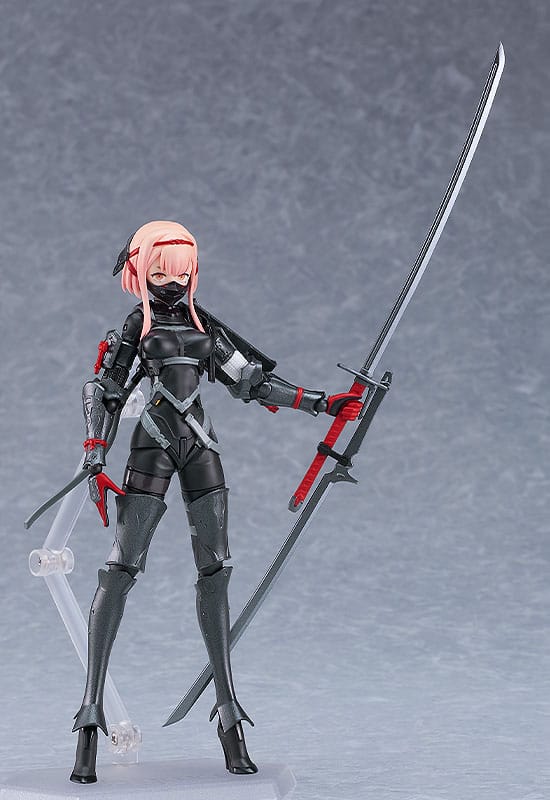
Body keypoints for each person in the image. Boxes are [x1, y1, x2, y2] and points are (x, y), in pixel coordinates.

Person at [70, 220, 362, 784]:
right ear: (140, 268)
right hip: (152, 444)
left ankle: (229, 715)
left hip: (201, 446)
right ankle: (89, 716)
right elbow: (104, 390)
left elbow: (249, 381)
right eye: (160, 269)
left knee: (217, 570)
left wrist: (319, 403)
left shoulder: (204, 325)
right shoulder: (136, 325)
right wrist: (93, 451)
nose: (172, 280)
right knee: (121, 569)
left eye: (181, 270)